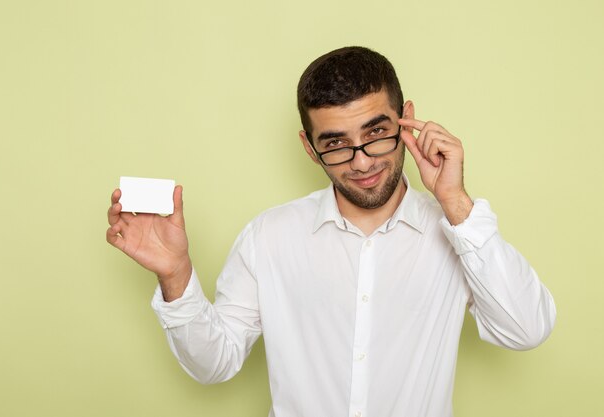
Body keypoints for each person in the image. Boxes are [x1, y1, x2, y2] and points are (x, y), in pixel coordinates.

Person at [106, 46, 556, 417]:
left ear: (408, 120)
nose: (361, 161)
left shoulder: (455, 230)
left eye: (376, 132)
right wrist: (176, 276)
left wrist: (456, 204)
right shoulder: (270, 236)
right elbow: (215, 363)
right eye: (336, 143)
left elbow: (526, 329)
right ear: (309, 147)